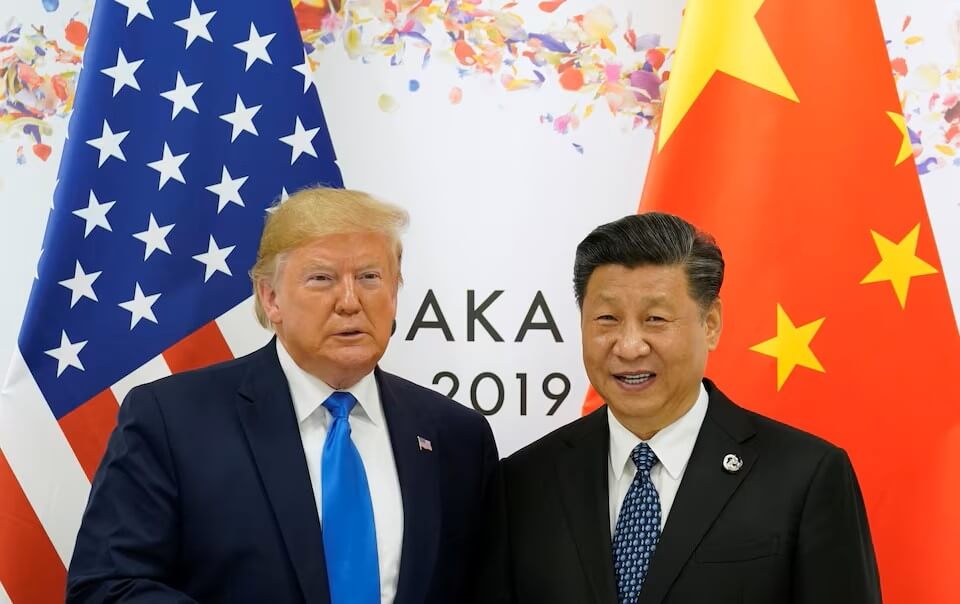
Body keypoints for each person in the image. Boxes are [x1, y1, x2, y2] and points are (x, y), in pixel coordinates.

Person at [67, 187, 499, 603]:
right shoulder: (173, 420)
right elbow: (107, 587)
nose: (350, 302)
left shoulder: (456, 437)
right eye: (322, 279)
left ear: (394, 293)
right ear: (271, 298)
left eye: (369, 277)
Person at [479, 212, 881, 604]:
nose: (629, 346)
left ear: (711, 324)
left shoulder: (805, 476)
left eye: (655, 319)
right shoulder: (525, 483)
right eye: (607, 318)